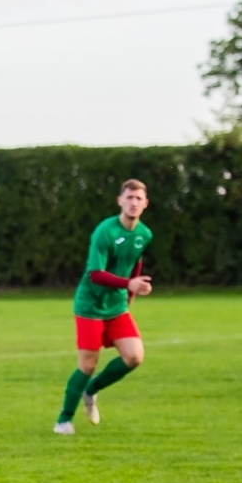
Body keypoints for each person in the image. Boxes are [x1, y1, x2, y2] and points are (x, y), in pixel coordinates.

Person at [54, 180, 154, 435]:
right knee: (87, 365)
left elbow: (135, 264)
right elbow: (95, 273)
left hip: (117, 306)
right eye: (129, 197)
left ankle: (92, 390)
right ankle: (63, 420)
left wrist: (132, 292)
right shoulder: (105, 232)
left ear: (145, 204)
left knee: (134, 356)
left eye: (138, 198)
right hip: (90, 305)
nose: (133, 203)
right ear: (119, 200)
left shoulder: (145, 234)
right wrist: (129, 283)